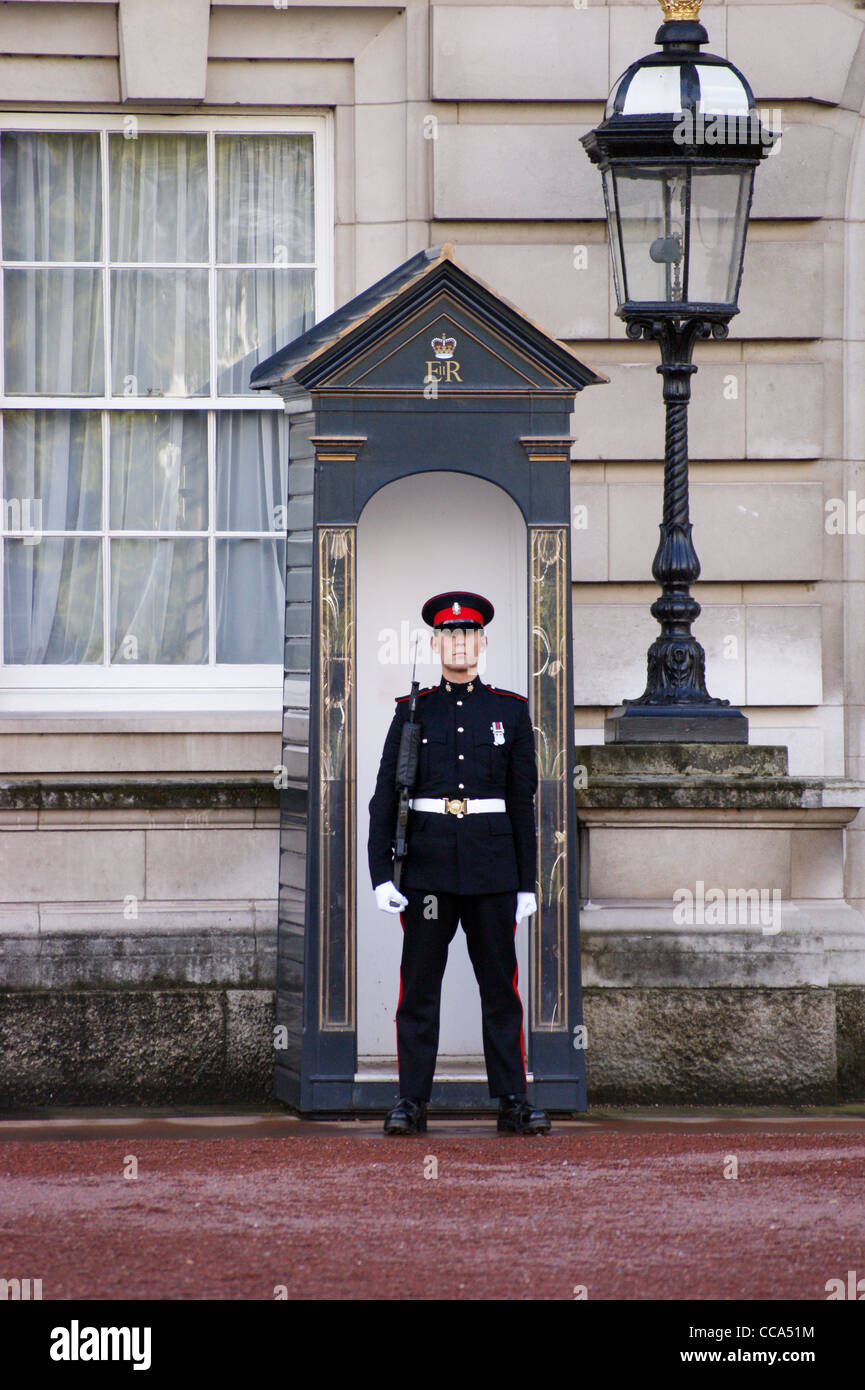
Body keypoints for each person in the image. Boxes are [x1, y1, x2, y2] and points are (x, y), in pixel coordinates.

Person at [367, 589, 551, 1136]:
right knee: (419, 987)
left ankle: (513, 1100)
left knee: (500, 987)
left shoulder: (509, 712)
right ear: (435, 643)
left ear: (483, 642)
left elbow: (522, 802)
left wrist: (527, 881)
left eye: (468, 634)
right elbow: (385, 797)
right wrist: (381, 874)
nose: (460, 643)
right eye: (450, 634)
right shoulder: (412, 711)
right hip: (427, 870)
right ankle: (411, 1101)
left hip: (493, 868)